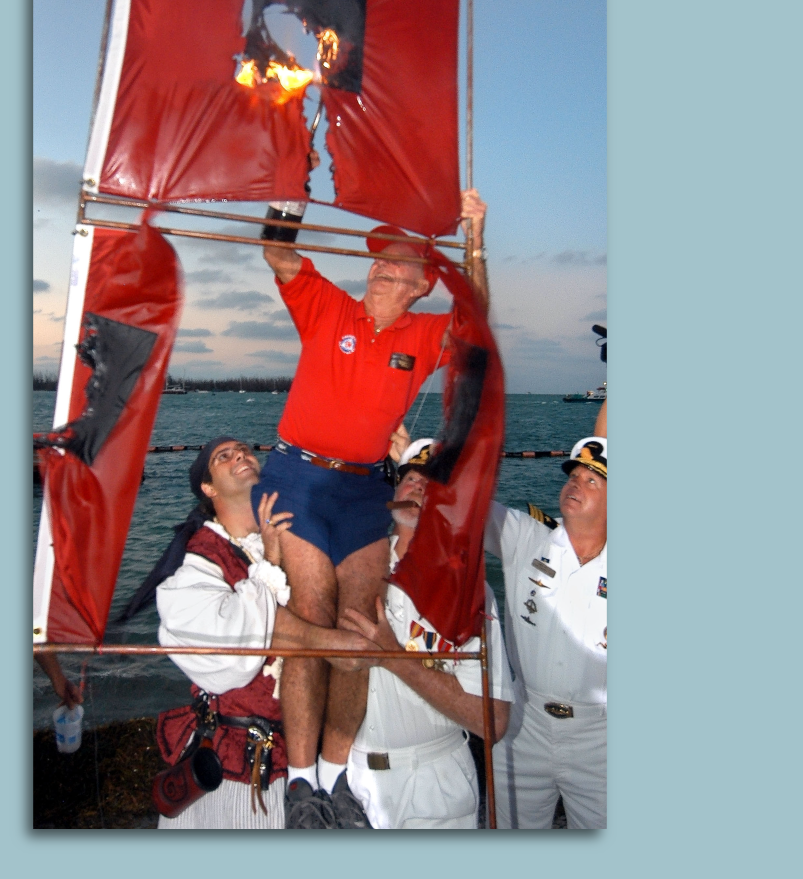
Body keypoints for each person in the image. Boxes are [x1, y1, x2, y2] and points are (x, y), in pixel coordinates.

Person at [256, 188, 489, 826]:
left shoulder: (423, 333)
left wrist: (473, 237)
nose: (379, 268)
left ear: (421, 285)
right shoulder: (328, 307)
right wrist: (288, 196)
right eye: (377, 260)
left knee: (360, 628)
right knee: (313, 610)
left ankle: (334, 780)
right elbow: (277, 251)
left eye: (395, 264)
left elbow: (477, 316)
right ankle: (300, 785)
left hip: (365, 487)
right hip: (299, 473)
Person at [127, 437, 375, 828]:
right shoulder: (195, 565)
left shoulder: (291, 538)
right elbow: (231, 659)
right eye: (223, 457)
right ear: (208, 488)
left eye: (244, 450)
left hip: (299, 765)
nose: (239, 455)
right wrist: (272, 567)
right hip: (234, 774)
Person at [328, 437, 513, 829]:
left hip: (433, 786)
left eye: (434, 483)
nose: (419, 486)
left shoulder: (468, 591)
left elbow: (493, 722)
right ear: (393, 494)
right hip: (352, 780)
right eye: (410, 477)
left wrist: (395, 658)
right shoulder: (348, 568)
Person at [486, 435, 609, 829]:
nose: (575, 484)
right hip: (525, 725)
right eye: (573, 475)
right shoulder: (527, 537)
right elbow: (465, 506)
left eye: (592, 481)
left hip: (602, 738)